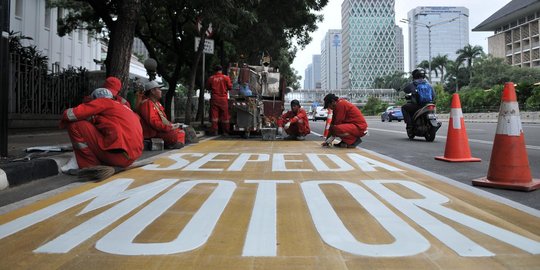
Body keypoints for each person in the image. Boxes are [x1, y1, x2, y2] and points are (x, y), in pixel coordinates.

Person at [59, 88, 143, 169]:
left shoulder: (103, 102)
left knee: (75, 125)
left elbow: (71, 115)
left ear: (95, 99)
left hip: (118, 157)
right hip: (132, 157)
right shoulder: (123, 107)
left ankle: (90, 165)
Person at [138, 81, 185, 149]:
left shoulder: (157, 103)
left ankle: (174, 143)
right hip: (155, 132)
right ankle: (174, 143)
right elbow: (153, 122)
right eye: (159, 89)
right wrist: (168, 128)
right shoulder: (146, 103)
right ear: (152, 91)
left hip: (162, 129)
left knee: (181, 131)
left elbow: (164, 119)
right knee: (173, 135)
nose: (161, 91)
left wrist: (172, 125)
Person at [206, 65, 232, 136]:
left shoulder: (211, 78)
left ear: (214, 71)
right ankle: (225, 132)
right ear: (221, 70)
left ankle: (215, 131)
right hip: (223, 99)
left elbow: (208, 87)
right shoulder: (226, 77)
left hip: (214, 99)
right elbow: (230, 87)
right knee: (225, 116)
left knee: (214, 116)